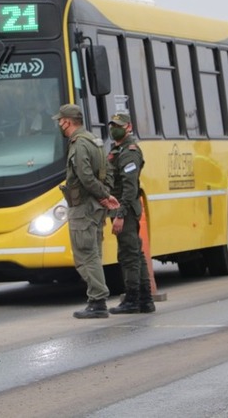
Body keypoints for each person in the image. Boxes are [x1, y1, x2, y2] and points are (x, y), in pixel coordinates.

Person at [53, 104, 120, 319]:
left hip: (83, 206)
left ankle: (97, 300)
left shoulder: (79, 144)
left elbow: (84, 175)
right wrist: (106, 194)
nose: (59, 124)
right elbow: (107, 171)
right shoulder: (94, 141)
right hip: (95, 206)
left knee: (85, 254)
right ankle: (97, 299)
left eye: (60, 120)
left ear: (68, 122)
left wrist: (102, 195)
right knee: (94, 253)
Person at [105, 113, 155, 314]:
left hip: (124, 210)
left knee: (128, 255)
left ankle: (133, 299)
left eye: (118, 125)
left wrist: (120, 214)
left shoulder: (129, 152)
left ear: (128, 127)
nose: (113, 129)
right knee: (136, 253)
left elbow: (129, 188)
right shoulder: (118, 150)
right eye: (112, 125)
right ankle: (145, 300)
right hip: (122, 208)